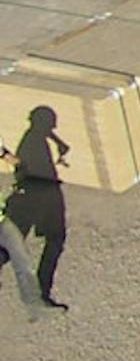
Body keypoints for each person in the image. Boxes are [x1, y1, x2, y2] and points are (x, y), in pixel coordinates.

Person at [5, 105, 68, 314]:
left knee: (11, 245)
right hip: (38, 197)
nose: (53, 126)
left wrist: (58, 142)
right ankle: (39, 294)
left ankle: (39, 295)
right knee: (52, 241)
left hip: (33, 197)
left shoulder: (34, 137)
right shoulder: (34, 143)